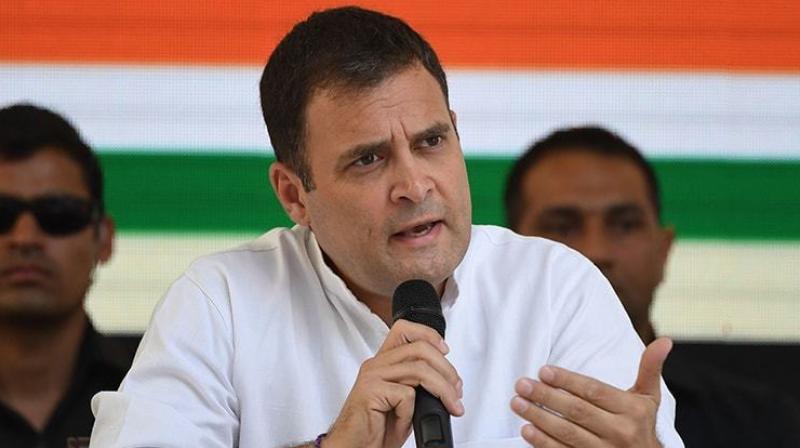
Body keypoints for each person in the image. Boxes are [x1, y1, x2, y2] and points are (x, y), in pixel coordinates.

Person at [90, 7, 683, 447]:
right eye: (369, 159)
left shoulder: (555, 288)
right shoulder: (220, 302)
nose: (415, 186)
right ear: (294, 194)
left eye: (431, 142)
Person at [504, 125, 800, 447]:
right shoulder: (464, 403)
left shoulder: (762, 425)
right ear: (510, 254)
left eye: (625, 225)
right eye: (563, 226)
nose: (596, 251)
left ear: (664, 250)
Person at [0, 103, 134, 448]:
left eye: (58, 213)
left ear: (104, 239)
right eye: (2, 215)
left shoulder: (169, 386)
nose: (25, 238)